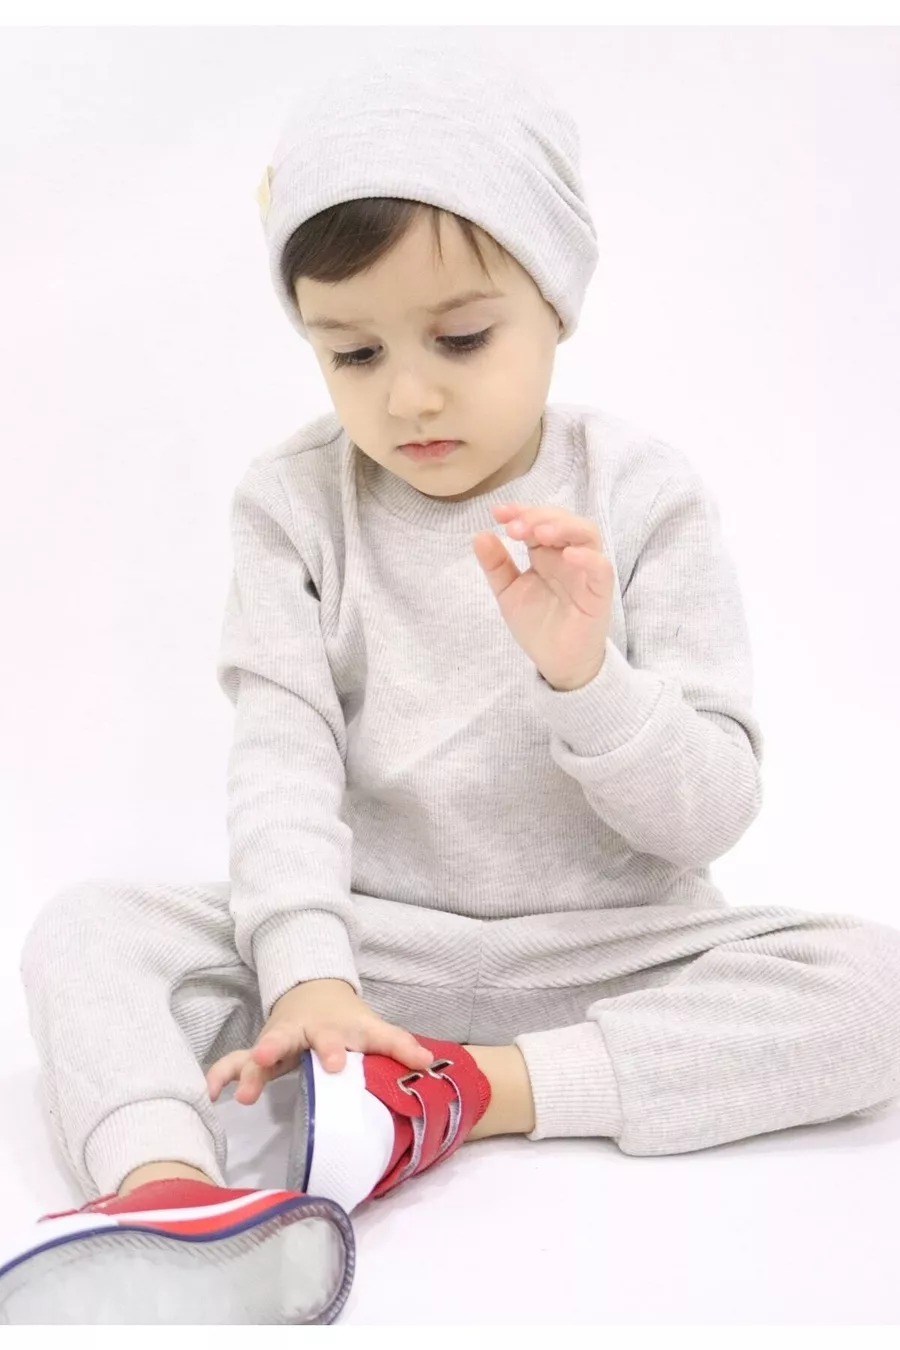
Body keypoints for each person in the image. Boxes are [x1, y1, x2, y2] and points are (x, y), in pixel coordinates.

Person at [4, 37, 900, 1326]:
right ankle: (174, 1196)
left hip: (609, 951)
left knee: (875, 984)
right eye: (353, 354)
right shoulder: (293, 504)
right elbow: (281, 761)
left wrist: (586, 678)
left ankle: (462, 1094)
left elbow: (710, 818)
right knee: (88, 930)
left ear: (556, 301)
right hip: (368, 955)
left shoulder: (644, 493)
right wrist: (307, 974)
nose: (411, 395)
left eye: (462, 337)